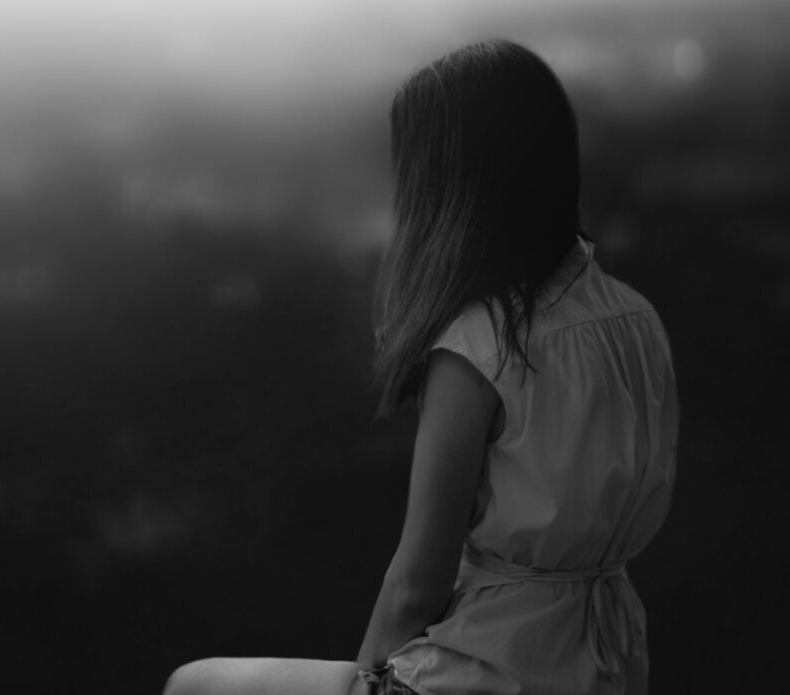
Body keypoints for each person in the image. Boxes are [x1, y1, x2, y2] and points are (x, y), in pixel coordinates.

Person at [161, 38, 679, 695]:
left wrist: (369, 678)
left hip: (491, 673)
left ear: (451, 182)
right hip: (607, 666)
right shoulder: (636, 318)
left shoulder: (482, 344)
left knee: (192, 684)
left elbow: (415, 586)